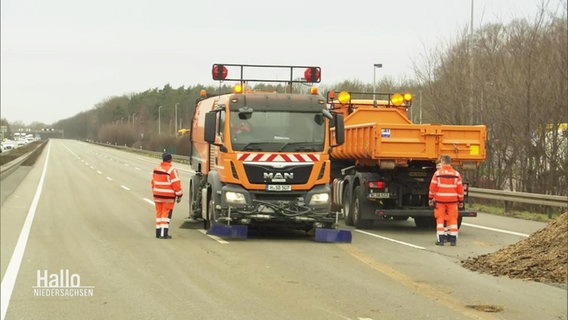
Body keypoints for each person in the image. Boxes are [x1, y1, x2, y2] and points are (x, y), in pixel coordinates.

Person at [428, 155, 464, 246]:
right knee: (453, 219)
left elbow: (432, 188)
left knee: (440, 219)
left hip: (440, 200)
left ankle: (441, 240)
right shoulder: (456, 174)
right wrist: (460, 201)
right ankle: (453, 240)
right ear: (450, 162)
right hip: (452, 201)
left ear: (443, 162)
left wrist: (431, 198)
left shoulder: (437, 174)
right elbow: (460, 189)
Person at [151, 152, 183, 239]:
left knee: (159, 214)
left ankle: (158, 233)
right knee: (166, 215)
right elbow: (176, 184)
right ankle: (163, 234)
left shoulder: (156, 168)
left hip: (157, 195)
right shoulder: (172, 170)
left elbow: (153, 182)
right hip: (168, 197)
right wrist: (179, 195)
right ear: (170, 159)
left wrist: (155, 191)